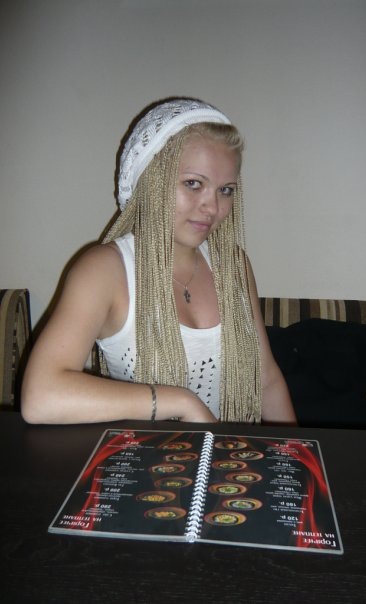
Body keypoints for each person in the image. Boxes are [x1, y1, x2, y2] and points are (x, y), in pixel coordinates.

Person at [21, 98, 296, 425]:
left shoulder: (234, 266)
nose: (212, 207)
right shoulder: (105, 270)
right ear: (151, 180)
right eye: (193, 184)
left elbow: (265, 379)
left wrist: (298, 450)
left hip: (232, 454)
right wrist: (181, 402)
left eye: (225, 190)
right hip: (146, 454)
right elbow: (40, 397)